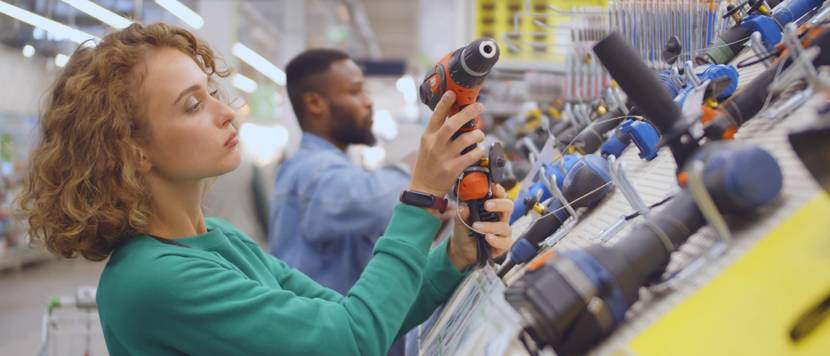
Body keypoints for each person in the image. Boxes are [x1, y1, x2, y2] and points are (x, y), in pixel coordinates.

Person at [17, 23, 513, 355]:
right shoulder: (150, 280)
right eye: (193, 106)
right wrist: (421, 196)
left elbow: (354, 317)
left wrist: (453, 256)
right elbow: (348, 342)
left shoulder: (220, 238)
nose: (226, 112)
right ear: (135, 150)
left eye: (212, 92)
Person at [270, 49, 435, 294]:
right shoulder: (311, 170)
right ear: (315, 103)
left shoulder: (332, 167)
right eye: (355, 91)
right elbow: (371, 203)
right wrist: (420, 164)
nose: (368, 102)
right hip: (321, 316)